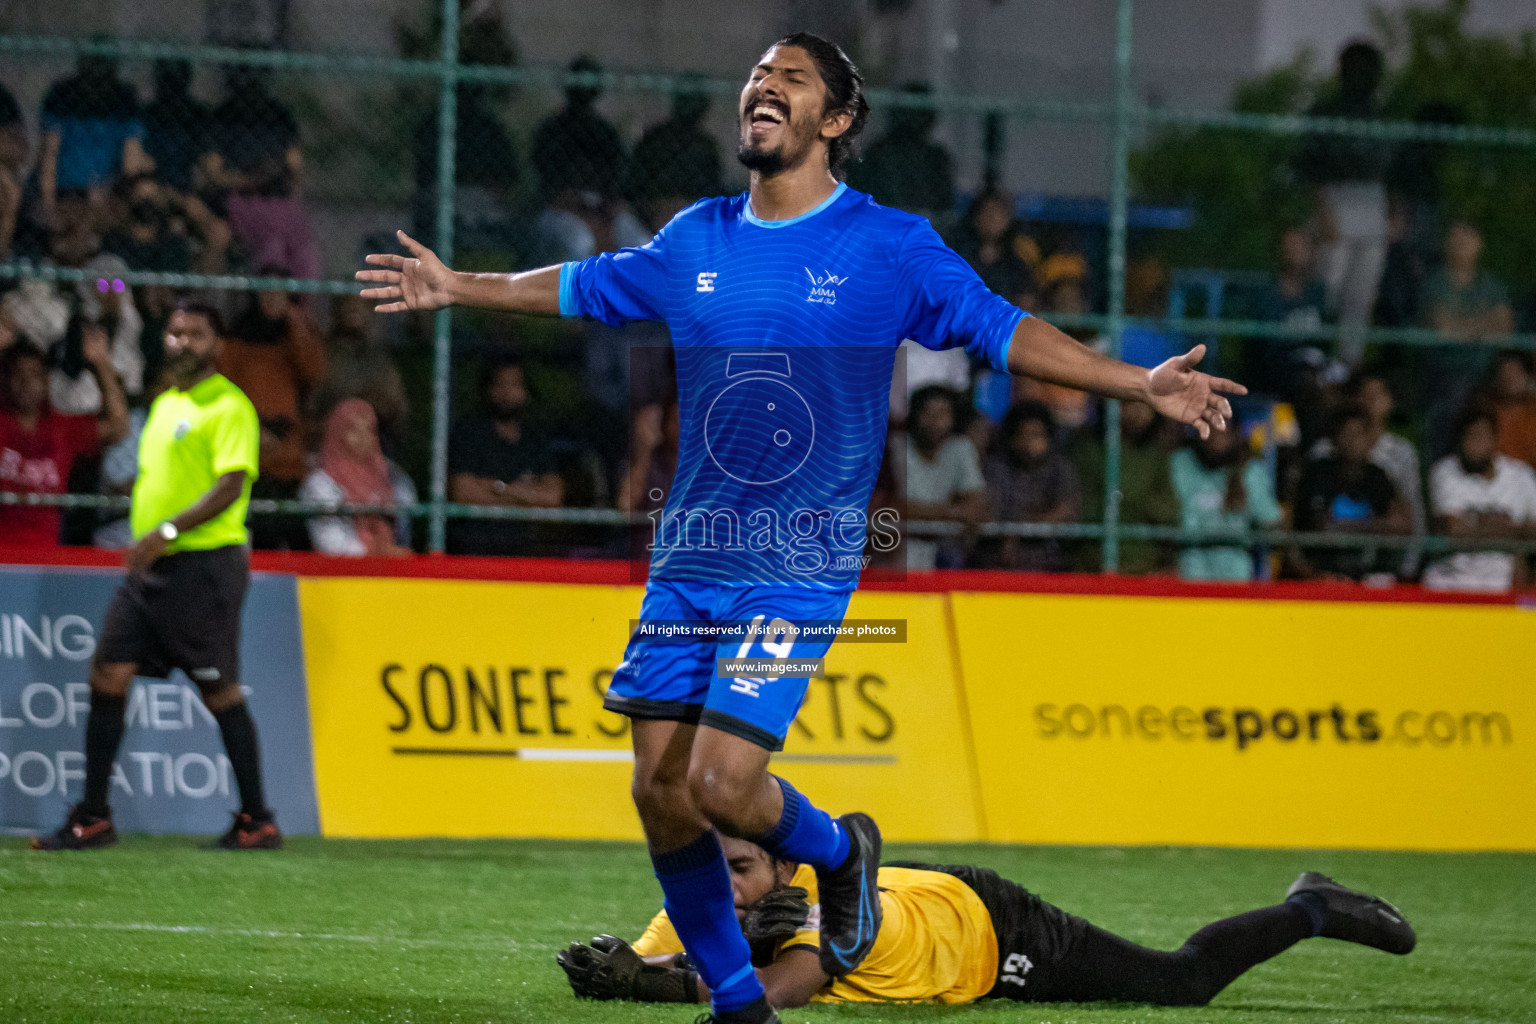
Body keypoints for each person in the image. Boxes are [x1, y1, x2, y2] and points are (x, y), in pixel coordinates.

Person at [359, 33, 1242, 1024]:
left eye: (791, 82)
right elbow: (579, 284)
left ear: (836, 121)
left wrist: (1139, 381)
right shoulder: (695, 236)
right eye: (755, 79)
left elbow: (1006, 331)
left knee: (724, 778)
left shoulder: (890, 245)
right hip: (688, 561)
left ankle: (838, 848)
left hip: (798, 563)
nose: (762, 90)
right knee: (659, 788)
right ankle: (739, 1003)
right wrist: (457, 285)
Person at [557, 835, 1416, 1009]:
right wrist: (625, 970)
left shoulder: (825, 905)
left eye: (740, 870)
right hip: (930, 900)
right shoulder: (707, 895)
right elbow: (640, 959)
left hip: (990, 932)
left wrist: (655, 992)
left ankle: (1310, 907)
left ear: (787, 867)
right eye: (715, 870)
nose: (724, 888)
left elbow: (781, 987)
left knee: (1178, 983)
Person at [32, 300, 283, 851]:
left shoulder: (229, 405)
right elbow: (166, 477)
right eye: (174, 333)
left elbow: (231, 486)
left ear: (217, 344)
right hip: (149, 569)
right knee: (107, 673)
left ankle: (257, 820)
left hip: (204, 566)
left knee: (218, 688)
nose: (182, 343)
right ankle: (94, 816)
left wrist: (165, 532)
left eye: (195, 334)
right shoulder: (167, 403)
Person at [1295, 41, 1392, 366]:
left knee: (1361, 297)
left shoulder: (1381, 115)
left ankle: (1348, 365)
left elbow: (1391, 170)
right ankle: (1313, 358)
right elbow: (1312, 166)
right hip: (1337, 201)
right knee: (1327, 288)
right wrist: (1325, 213)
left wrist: (1392, 211)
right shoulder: (1326, 112)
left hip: (1372, 205)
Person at [220, 279, 328, 549]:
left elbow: (314, 372)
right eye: (266, 293)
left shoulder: (295, 338)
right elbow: (223, 392)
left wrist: (295, 321)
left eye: (279, 295)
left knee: (293, 533)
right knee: (255, 533)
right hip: (249, 444)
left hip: (287, 449)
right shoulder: (236, 340)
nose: (271, 300)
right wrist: (252, 430)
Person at [0, 333, 129, 546]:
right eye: (17, 374)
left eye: (33, 374)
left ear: (45, 380)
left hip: (45, 549)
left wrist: (101, 363)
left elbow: (118, 426)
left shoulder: (61, 428)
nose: (25, 382)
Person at [203, 66, 318, 280]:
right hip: (241, 200)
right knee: (272, 245)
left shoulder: (279, 115)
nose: (250, 88)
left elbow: (294, 165)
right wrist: (253, 179)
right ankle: (269, 307)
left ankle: (300, 308)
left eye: (255, 81)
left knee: (305, 251)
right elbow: (213, 174)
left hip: (279, 201)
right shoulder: (223, 117)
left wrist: (290, 191)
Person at [446, 352, 563, 557]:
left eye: (514, 385)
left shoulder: (534, 438)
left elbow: (553, 496)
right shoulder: (469, 432)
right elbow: (462, 491)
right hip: (473, 548)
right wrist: (525, 494)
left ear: (526, 390)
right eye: (500, 385)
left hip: (523, 549)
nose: (507, 393)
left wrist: (498, 488)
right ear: (488, 389)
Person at [1309, 372, 1425, 577]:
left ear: (1389, 402)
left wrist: (1408, 570)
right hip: (1327, 571)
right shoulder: (1321, 456)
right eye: (1364, 395)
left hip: (1379, 570)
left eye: (1377, 395)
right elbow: (1318, 524)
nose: (1370, 403)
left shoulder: (1391, 462)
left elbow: (1406, 518)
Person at [1292, 403, 1410, 582]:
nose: (1352, 441)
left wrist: (1344, 526)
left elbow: (1400, 525)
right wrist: (1375, 526)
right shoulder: (1317, 473)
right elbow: (1321, 527)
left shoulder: (1378, 476)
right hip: (1325, 574)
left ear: (1369, 440)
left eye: (1359, 434)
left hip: (1371, 574)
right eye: (1346, 434)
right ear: (1334, 439)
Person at [1423, 409, 1536, 593]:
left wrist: (1474, 521)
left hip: (1502, 588)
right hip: (1449, 585)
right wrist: (1510, 529)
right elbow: (1453, 529)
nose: (1472, 444)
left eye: (1479, 436)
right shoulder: (1445, 471)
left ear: (1495, 439)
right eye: (1468, 437)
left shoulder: (1521, 476)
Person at [38, 55, 152, 228]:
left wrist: (109, 188)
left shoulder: (125, 101)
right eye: (91, 75)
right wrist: (48, 204)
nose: (96, 84)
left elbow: (132, 164)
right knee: (72, 220)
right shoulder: (61, 97)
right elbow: (49, 156)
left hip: (109, 193)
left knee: (143, 188)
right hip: (67, 193)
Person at [1071, 398, 1179, 574]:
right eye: (1129, 405)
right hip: (1092, 562)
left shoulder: (1156, 456)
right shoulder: (1087, 449)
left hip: (1142, 564)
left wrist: (1133, 500)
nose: (1138, 413)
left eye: (1145, 407)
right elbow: (1079, 506)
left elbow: (1168, 511)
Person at [299, 399, 415, 556]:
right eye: (353, 430)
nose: (363, 438)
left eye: (369, 430)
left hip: (389, 569)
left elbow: (404, 525)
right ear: (338, 433)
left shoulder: (391, 475)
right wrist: (373, 552)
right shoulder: (320, 483)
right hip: (337, 573)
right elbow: (330, 544)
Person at [1171, 425, 1282, 582]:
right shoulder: (1180, 463)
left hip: (1234, 575)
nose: (1216, 439)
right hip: (1189, 570)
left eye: (1223, 432)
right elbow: (1165, 514)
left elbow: (1270, 520)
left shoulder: (1250, 471)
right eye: (1210, 430)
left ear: (1235, 435)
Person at [979, 400, 1080, 572]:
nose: (1029, 443)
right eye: (1023, 435)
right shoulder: (996, 468)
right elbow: (988, 513)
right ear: (1011, 438)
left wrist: (1018, 530)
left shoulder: (1059, 468)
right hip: (997, 563)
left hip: (1047, 564)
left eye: (1036, 435)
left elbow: (1065, 513)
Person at [900, 385, 986, 571]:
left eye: (943, 414)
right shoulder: (894, 447)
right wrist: (952, 512)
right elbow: (888, 507)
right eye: (927, 413)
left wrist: (919, 513)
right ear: (914, 415)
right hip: (897, 551)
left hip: (944, 554)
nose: (935, 421)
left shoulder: (961, 448)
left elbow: (975, 506)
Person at [50, 254, 145, 415]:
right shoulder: (78, 323)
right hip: (83, 401)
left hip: (125, 401)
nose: (110, 292)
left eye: (118, 285)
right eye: (102, 285)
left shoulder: (132, 323)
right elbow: (72, 367)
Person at [847, 82, 955, 221]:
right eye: (911, 114)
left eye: (921, 114)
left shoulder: (936, 157)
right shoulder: (879, 152)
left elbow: (943, 205)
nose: (915, 120)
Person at [630, 75, 724, 230]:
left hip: (692, 211)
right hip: (656, 210)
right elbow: (635, 185)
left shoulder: (705, 146)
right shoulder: (655, 139)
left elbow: (713, 189)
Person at [1487, 351, 1536, 469]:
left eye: (1515, 373)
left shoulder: (1533, 411)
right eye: (1504, 373)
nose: (1509, 379)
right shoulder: (1485, 410)